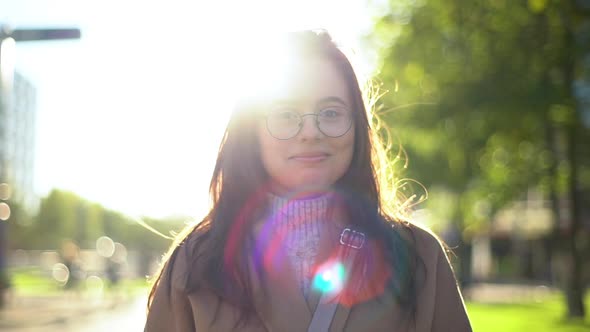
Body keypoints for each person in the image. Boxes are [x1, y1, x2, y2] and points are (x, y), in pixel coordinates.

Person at [145, 30, 472, 332]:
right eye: (285, 115)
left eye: (331, 113)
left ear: (357, 126)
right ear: (252, 132)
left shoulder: (417, 255)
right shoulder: (199, 258)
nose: (311, 132)